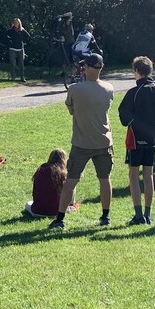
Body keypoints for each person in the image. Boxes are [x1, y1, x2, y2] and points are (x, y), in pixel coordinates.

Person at [49, 53, 115, 230]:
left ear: (86, 68)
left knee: (70, 181)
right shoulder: (109, 88)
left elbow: (71, 110)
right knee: (105, 179)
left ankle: (60, 218)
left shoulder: (75, 89)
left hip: (81, 143)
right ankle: (105, 216)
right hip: (103, 142)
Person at [118, 56, 155, 225]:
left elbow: (124, 115)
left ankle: (138, 215)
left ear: (137, 71)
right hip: (153, 138)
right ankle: (148, 214)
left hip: (136, 139)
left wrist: (134, 123)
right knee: (148, 175)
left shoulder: (134, 91)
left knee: (133, 174)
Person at [25, 149, 77, 217]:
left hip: (37, 211)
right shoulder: (63, 174)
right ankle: (71, 205)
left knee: (28, 203)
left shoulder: (41, 170)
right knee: (71, 184)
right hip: (58, 211)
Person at [6, 18, 31, 82]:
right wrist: (9, 42)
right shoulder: (11, 30)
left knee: (21, 64)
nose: (16, 24)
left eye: (17, 22)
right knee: (12, 63)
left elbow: (28, 36)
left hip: (20, 49)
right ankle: (13, 77)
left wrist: (23, 42)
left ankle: (22, 77)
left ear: (19, 23)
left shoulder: (22, 30)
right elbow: (5, 36)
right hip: (12, 49)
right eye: (15, 22)